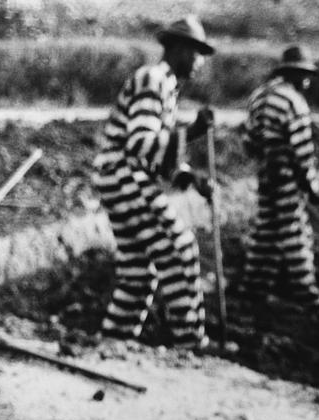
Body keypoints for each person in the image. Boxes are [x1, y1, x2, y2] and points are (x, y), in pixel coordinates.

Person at [93, 15, 214, 349]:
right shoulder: (152, 80)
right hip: (124, 175)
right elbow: (140, 144)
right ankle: (191, 343)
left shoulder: (166, 87)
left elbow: (158, 156)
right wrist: (192, 132)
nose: (199, 61)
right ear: (175, 48)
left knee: (139, 271)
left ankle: (113, 343)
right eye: (195, 51)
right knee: (179, 248)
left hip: (121, 177)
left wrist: (191, 177)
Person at [238, 45, 319, 315]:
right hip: (285, 177)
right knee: (295, 232)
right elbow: (302, 153)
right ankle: (307, 292)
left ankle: (253, 287)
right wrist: (311, 187)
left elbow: (249, 142)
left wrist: (265, 159)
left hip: (265, 175)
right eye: (305, 75)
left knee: (267, 231)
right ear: (295, 74)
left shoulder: (258, 96)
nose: (307, 81)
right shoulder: (294, 102)